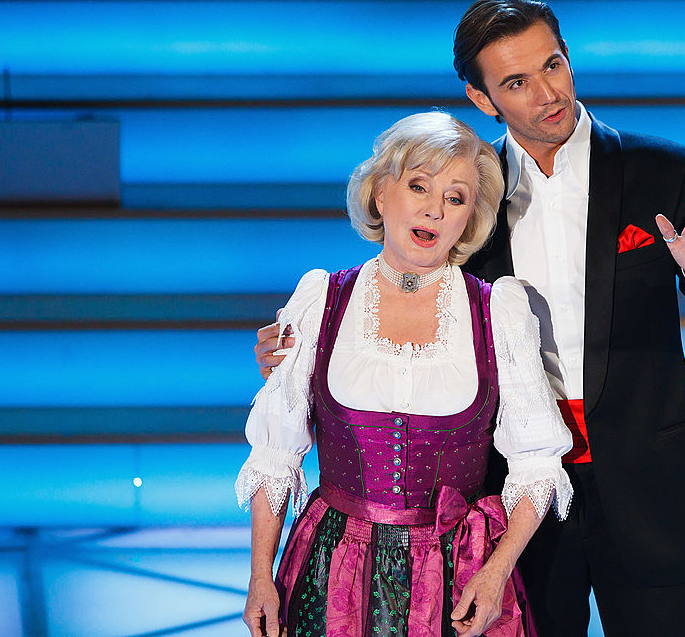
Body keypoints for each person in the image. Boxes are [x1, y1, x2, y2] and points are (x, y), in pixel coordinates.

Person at [258, 0, 685, 636]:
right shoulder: (470, 194)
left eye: (553, 65)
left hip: (650, 484)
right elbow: (407, 292)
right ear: (482, 98)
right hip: (513, 496)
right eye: (517, 82)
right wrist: (300, 346)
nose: (548, 93)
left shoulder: (663, 170)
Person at [237, 111, 573, 637]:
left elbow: (536, 464)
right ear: (379, 194)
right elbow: (275, 454)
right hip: (331, 573)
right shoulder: (321, 300)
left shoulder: (498, 312)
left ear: (470, 219)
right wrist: (261, 574)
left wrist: (496, 573)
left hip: (460, 576)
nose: (435, 210)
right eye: (419, 186)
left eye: (456, 198)